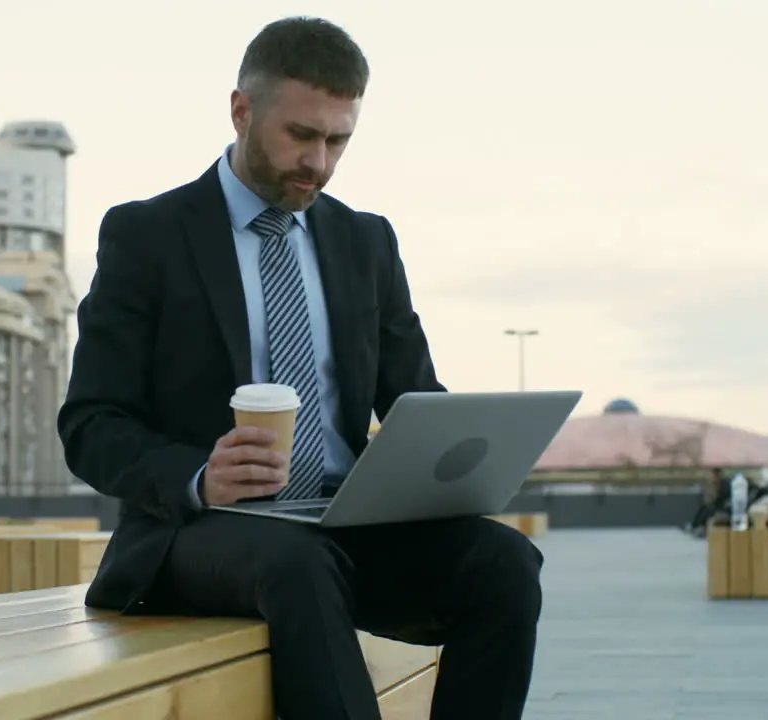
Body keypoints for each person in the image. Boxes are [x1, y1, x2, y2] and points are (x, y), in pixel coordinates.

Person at [57, 16, 543, 719]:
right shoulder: (147, 236)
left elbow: (416, 401)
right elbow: (91, 422)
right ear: (241, 111)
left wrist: (460, 463)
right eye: (301, 136)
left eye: (338, 140)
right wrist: (199, 475)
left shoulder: (365, 242)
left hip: (344, 523)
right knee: (298, 565)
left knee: (505, 566)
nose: (319, 162)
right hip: (199, 532)